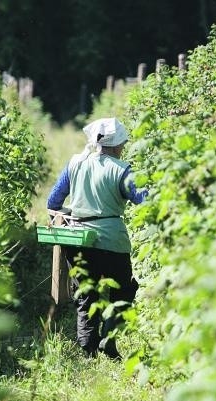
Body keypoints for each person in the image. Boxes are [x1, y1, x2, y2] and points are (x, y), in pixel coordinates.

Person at [46, 117, 147, 359]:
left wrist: (74, 211)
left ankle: (87, 350)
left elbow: (53, 202)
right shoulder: (122, 170)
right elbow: (144, 199)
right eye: (122, 143)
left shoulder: (76, 163)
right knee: (123, 291)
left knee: (85, 293)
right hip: (113, 242)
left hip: (80, 240)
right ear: (117, 145)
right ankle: (108, 339)